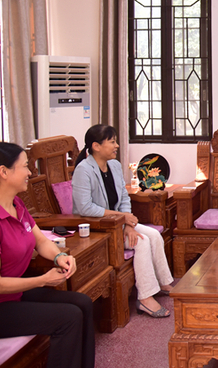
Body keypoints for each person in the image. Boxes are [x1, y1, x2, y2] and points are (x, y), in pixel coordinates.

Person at [0, 143, 94, 368]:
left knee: (82, 303)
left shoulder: (16, 204)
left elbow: (40, 241)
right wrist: (43, 280)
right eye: (25, 166)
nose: (30, 172)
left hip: (11, 296)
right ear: (3, 172)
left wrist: (58, 257)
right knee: (68, 317)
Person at [72, 124, 173, 318]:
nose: (117, 146)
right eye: (112, 142)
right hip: (98, 228)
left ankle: (163, 282)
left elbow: (125, 198)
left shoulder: (115, 166)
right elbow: (85, 208)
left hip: (118, 222)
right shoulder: (83, 170)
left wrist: (127, 224)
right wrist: (122, 218)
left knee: (154, 234)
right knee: (141, 241)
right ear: (96, 146)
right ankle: (145, 298)